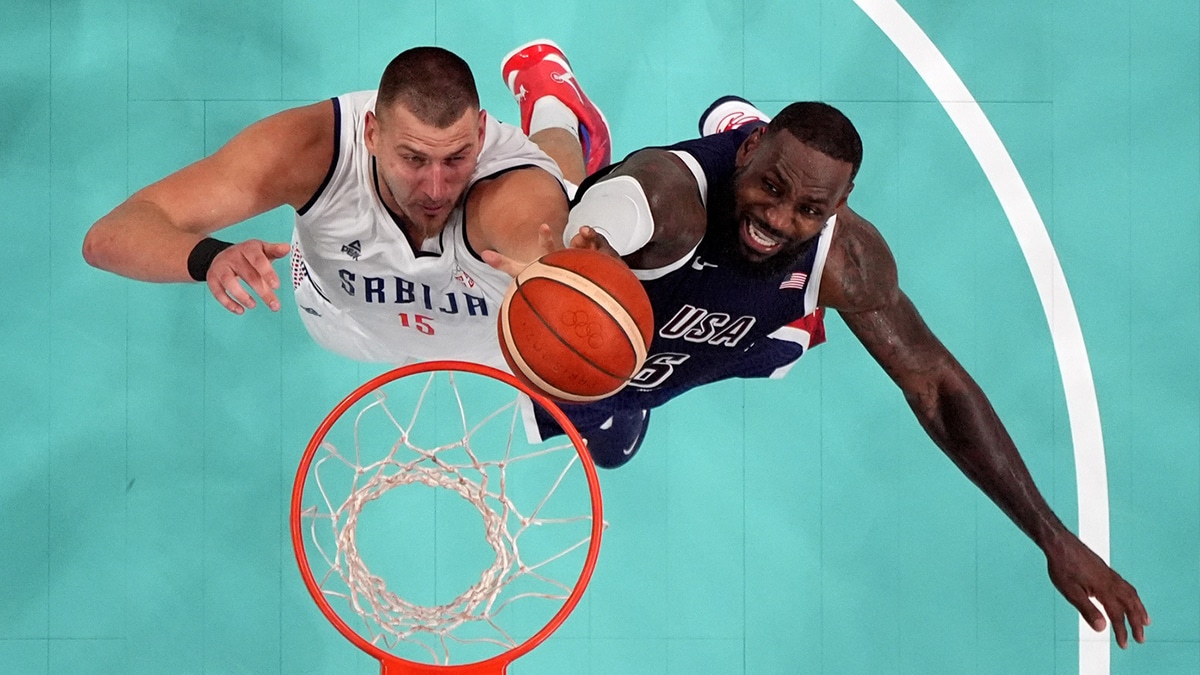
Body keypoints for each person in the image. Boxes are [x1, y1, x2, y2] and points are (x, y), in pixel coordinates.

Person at [495, 45, 1150, 649]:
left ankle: (748, 149)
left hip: (742, 331)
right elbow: (617, 209)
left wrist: (1052, 535)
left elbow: (934, 385)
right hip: (621, 323)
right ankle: (564, 109)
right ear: (753, 153)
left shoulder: (849, 261)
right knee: (560, 212)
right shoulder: (670, 200)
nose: (779, 220)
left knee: (770, 330)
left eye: (810, 208)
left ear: (841, 205)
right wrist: (582, 240)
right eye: (773, 187)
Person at [82, 44, 609, 367]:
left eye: (456, 158)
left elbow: (547, 251)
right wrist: (208, 256)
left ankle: (555, 107)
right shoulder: (307, 151)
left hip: (492, 335)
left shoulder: (512, 193)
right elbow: (108, 237)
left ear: (480, 132)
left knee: (560, 176)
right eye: (413, 158)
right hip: (343, 318)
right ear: (372, 133)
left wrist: (570, 276)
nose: (435, 187)